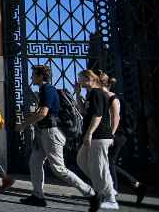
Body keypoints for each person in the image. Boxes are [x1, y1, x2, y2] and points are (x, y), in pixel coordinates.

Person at [17, 65, 94, 207]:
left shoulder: (48, 89)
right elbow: (41, 113)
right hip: (44, 132)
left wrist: (23, 125)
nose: (31, 77)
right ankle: (38, 196)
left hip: (51, 133)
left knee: (58, 169)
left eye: (33, 75)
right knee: (34, 163)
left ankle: (90, 193)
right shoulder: (43, 90)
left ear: (41, 76)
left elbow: (43, 113)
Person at [93, 70, 147, 205]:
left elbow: (115, 117)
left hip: (116, 135)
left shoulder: (110, 96)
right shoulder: (103, 95)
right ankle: (136, 185)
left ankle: (114, 191)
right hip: (114, 134)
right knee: (108, 162)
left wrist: (110, 135)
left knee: (109, 162)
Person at [76, 70, 118, 211]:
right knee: (82, 160)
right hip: (95, 136)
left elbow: (98, 115)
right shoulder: (90, 94)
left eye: (80, 79)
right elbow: (84, 112)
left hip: (99, 136)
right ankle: (103, 187)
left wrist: (89, 133)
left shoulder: (97, 93)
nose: (79, 82)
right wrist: (77, 94)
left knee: (100, 168)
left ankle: (110, 198)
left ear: (88, 78)